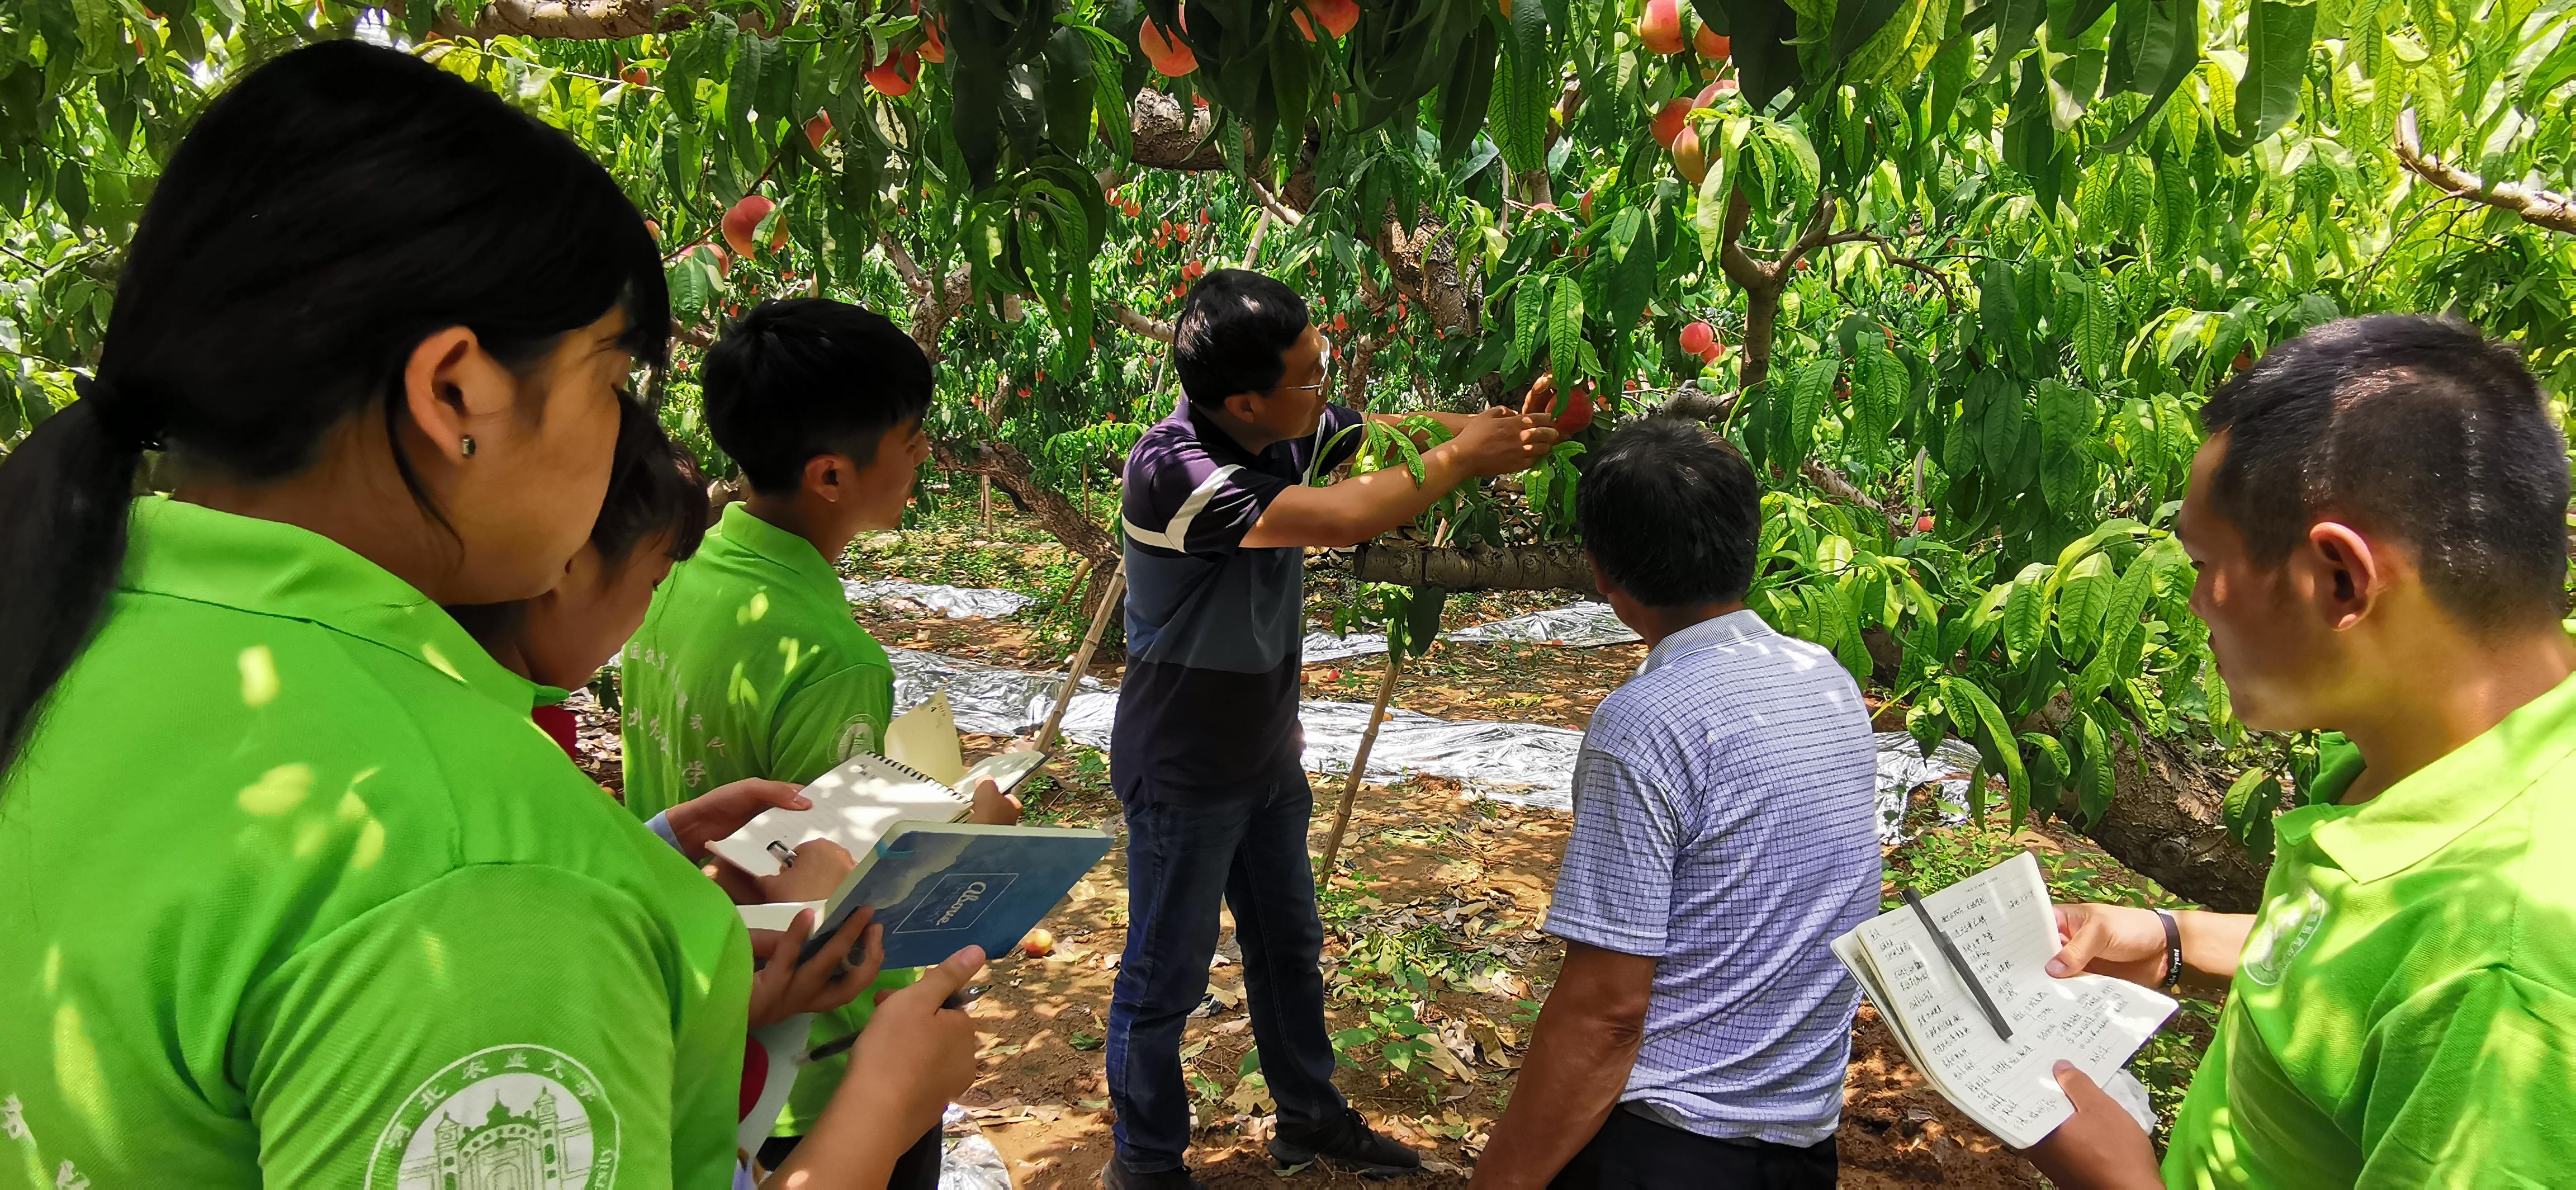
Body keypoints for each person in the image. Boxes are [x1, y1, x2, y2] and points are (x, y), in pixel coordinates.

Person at [0, 42, 978, 1190]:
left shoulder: (86, 627)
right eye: (611, 380)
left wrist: (659, 924)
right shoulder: (484, 868)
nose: (622, 433)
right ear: (456, 391)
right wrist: (878, 1106)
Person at [2026, 315, 2576, 1188]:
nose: (2200, 603)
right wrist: (2172, 941)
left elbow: (2439, 983)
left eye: (2208, 564)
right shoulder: (2439, 758)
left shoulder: (2506, 980)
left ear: (2340, 580)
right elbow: (2376, 969)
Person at [1104, 268, 1562, 1189]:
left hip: (1266, 756)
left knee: (1288, 949)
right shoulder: (1176, 472)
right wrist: (1469, 458)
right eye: (1312, 374)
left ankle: (1309, 1117)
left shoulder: (1286, 423)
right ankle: (1145, 1167)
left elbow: (1388, 436)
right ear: (1242, 399)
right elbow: (1345, 514)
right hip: (1185, 768)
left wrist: (1489, 424)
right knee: (1165, 980)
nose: (1329, 387)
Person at [618, 296, 1017, 1180]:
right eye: (910, 435)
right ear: (832, 476)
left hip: (699, 1008)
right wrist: (970, 842)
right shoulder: (831, 657)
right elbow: (838, 916)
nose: (924, 453)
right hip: (809, 1070)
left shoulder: (680, 574)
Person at [1467, 419, 1880, 1189]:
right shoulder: (1825, 677)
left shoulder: (1644, 725)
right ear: (1750, 540)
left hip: (1674, 1144)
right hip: (1802, 1138)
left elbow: (1608, 1012)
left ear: (1602, 574)